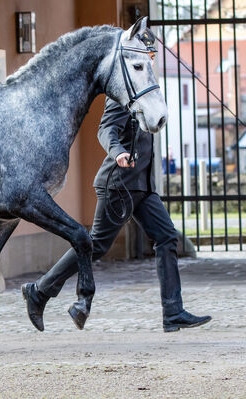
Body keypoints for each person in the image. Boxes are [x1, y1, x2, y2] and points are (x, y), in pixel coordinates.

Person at [22, 96, 212, 333]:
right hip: (118, 185)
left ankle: (173, 312)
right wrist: (118, 151)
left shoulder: (148, 94)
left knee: (167, 237)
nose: (150, 60)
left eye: (153, 56)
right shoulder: (121, 95)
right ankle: (39, 291)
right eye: (147, 56)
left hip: (143, 187)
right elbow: (106, 128)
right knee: (97, 245)